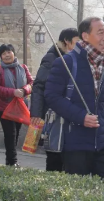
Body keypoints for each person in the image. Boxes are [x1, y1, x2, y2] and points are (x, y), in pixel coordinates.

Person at [44, 17, 104, 182]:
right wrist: (81, 117)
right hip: (74, 141)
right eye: (100, 33)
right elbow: (52, 97)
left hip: (103, 141)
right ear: (85, 36)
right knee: (77, 190)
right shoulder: (66, 62)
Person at [30, 27, 79, 171]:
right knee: (54, 155)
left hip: (70, 114)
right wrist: (36, 113)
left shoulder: (76, 58)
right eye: (77, 42)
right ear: (67, 42)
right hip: (53, 115)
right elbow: (39, 86)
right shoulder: (52, 58)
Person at [0, 44, 34, 167]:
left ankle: (9, 161)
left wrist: (24, 90)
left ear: (14, 53)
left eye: (9, 52)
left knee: (16, 133)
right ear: (1, 56)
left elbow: (31, 83)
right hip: (4, 107)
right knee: (10, 133)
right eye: (4, 53)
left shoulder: (23, 68)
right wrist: (13, 92)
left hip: (20, 106)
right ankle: (13, 161)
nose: (7, 55)